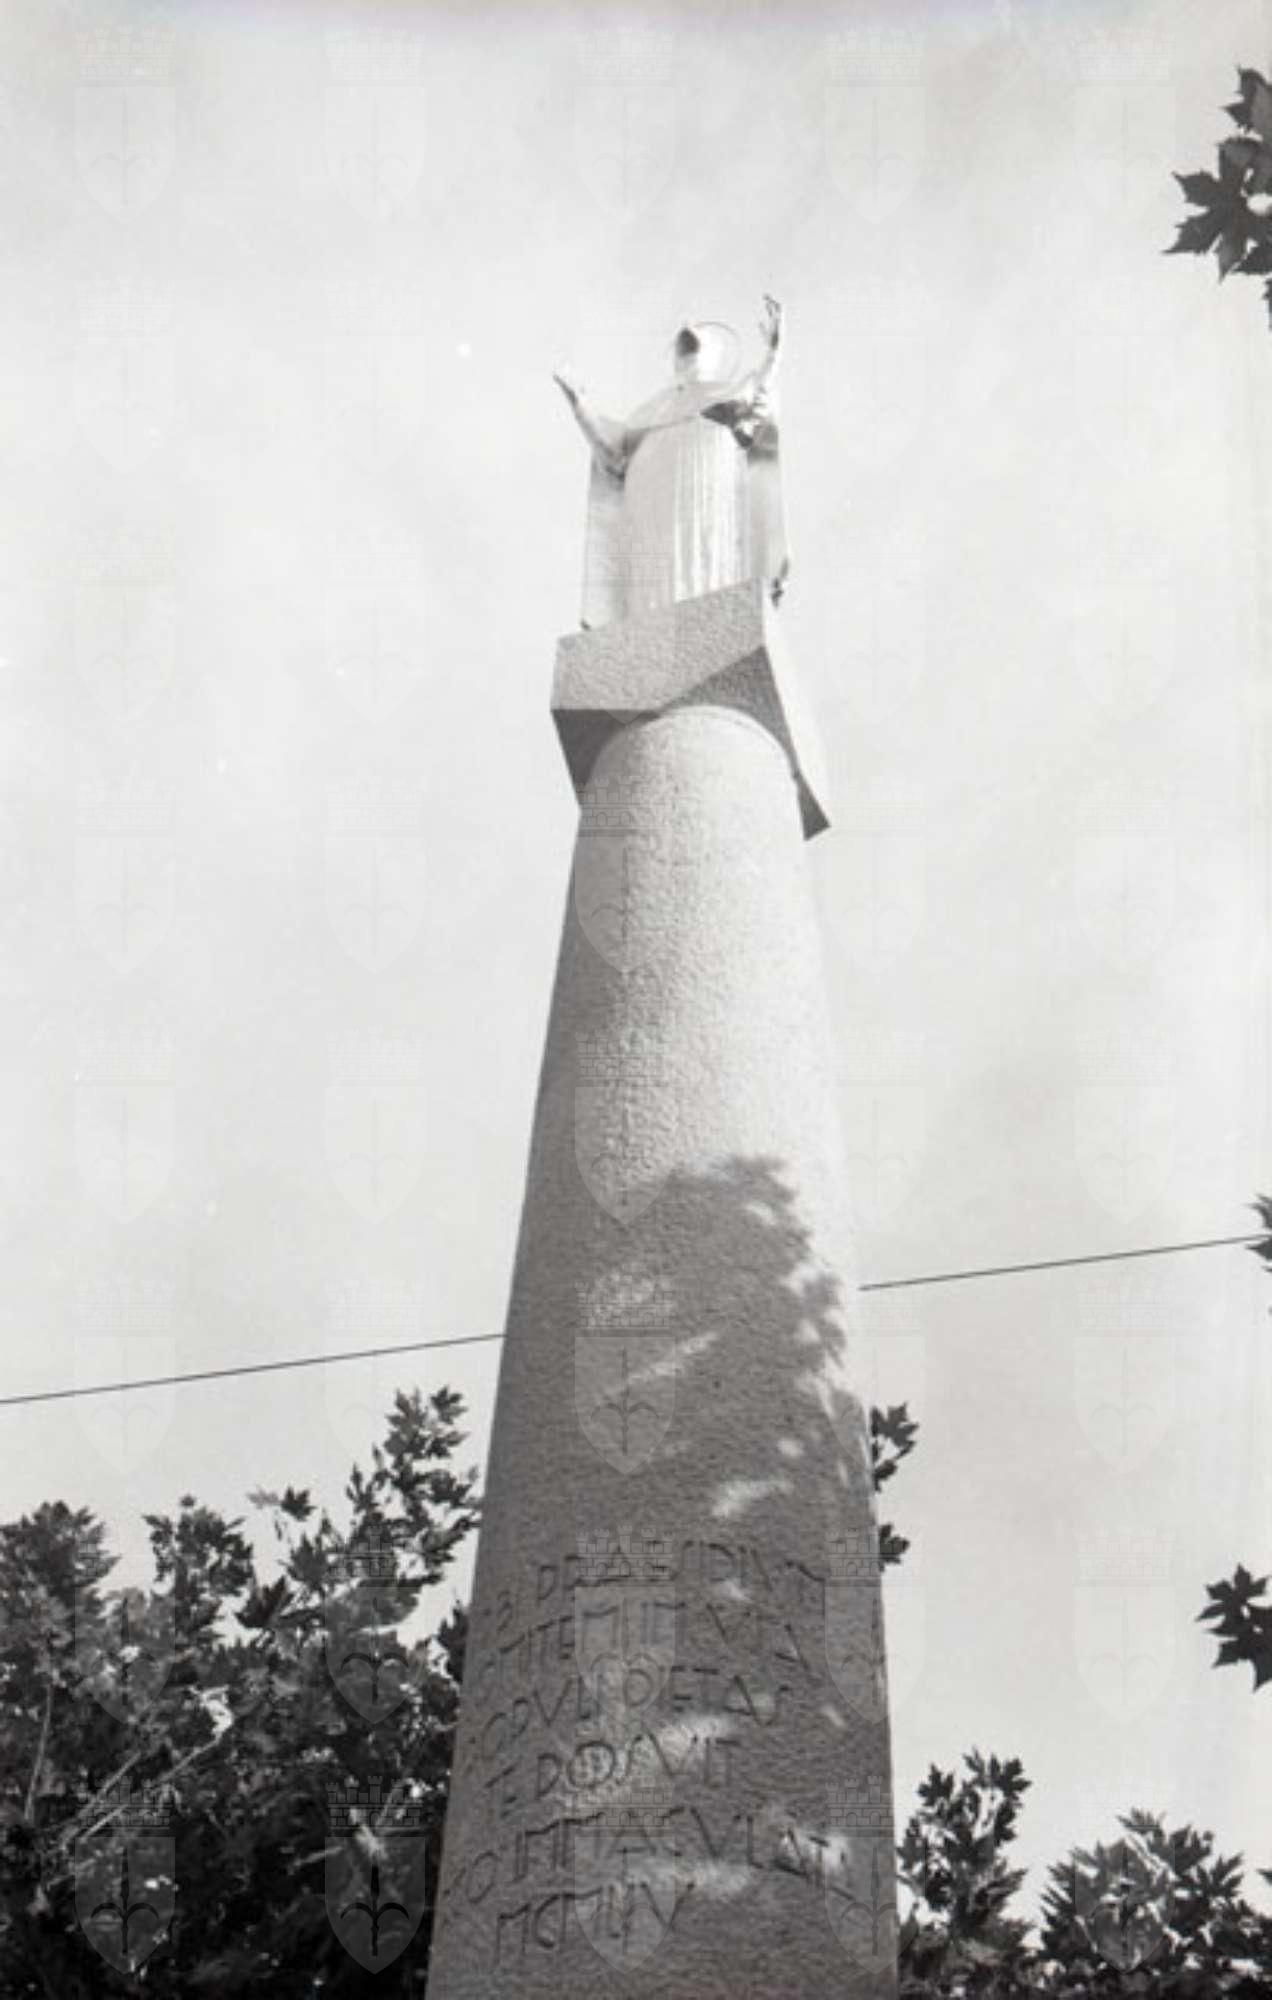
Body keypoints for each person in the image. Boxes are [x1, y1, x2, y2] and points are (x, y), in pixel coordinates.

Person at [554, 296, 790, 629]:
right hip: (651, 489)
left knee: (703, 555)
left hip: (706, 476)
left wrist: (773, 356)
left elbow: (756, 398)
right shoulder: (649, 411)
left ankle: (710, 624)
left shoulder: (724, 395)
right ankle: (647, 630)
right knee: (656, 568)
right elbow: (612, 453)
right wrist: (579, 404)